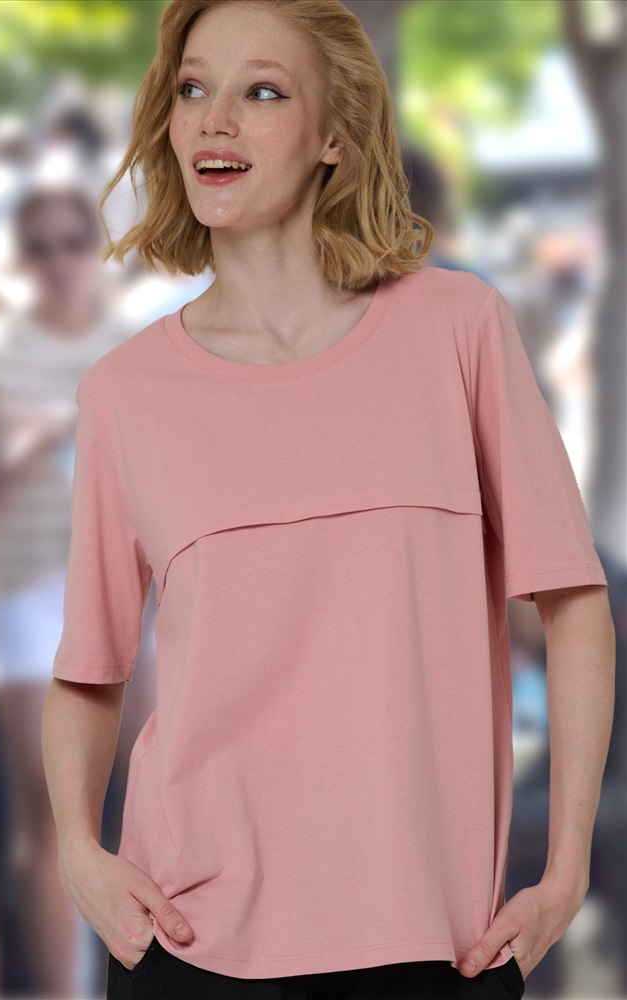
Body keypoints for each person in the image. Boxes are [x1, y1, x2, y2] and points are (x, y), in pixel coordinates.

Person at [41, 2, 616, 999]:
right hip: (191, 943)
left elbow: (572, 601)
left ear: (334, 136)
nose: (214, 119)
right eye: (192, 88)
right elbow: (89, 670)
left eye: (262, 91)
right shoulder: (125, 394)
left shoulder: (457, 330)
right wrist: (79, 855)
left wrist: (564, 870)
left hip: (435, 940)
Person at [0, 181, 141, 997]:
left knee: (148, 803)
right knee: (53, 817)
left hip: (134, 598)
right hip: (27, 595)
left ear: (97, 248)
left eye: (73, 241)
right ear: (22, 259)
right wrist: (29, 453)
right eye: (41, 247)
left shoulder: (137, 347)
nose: (60, 260)